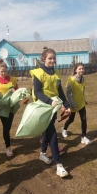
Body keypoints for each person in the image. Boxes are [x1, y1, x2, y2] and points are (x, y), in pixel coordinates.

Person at [30, 47, 71, 178]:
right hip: (44, 107)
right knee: (52, 134)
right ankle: (59, 165)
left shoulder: (56, 73)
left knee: (48, 132)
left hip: (53, 107)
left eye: (54, 58)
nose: (52, 60)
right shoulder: (39, 73)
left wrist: (66, 104)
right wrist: (49, 101)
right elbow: (37, 92)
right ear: (44, 59)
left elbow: (59, 92)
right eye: (50, 58)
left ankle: (42, 153)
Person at [0, 58, 18, 157]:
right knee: (6, 127)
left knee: (8, 126)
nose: (4, 73)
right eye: (2, 71)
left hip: (11, 107)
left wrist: (15, 92)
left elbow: (17, 91)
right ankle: (8, 147)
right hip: (2, 108)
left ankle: (7, 138)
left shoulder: (13, 80)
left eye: (5, 71)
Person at [62, 63, 92, 145]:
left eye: (82, 68)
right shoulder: (71, 80)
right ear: (75, 70)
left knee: (84, 120)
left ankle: (84, 137)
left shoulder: (84, 79)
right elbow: (68, 94)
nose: (82, 70)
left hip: (81, 103)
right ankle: (64, 129)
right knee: (71, 119)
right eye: (80, 69)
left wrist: (84, 99)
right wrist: (73, 105)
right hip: (73, 104)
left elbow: (82, 90)